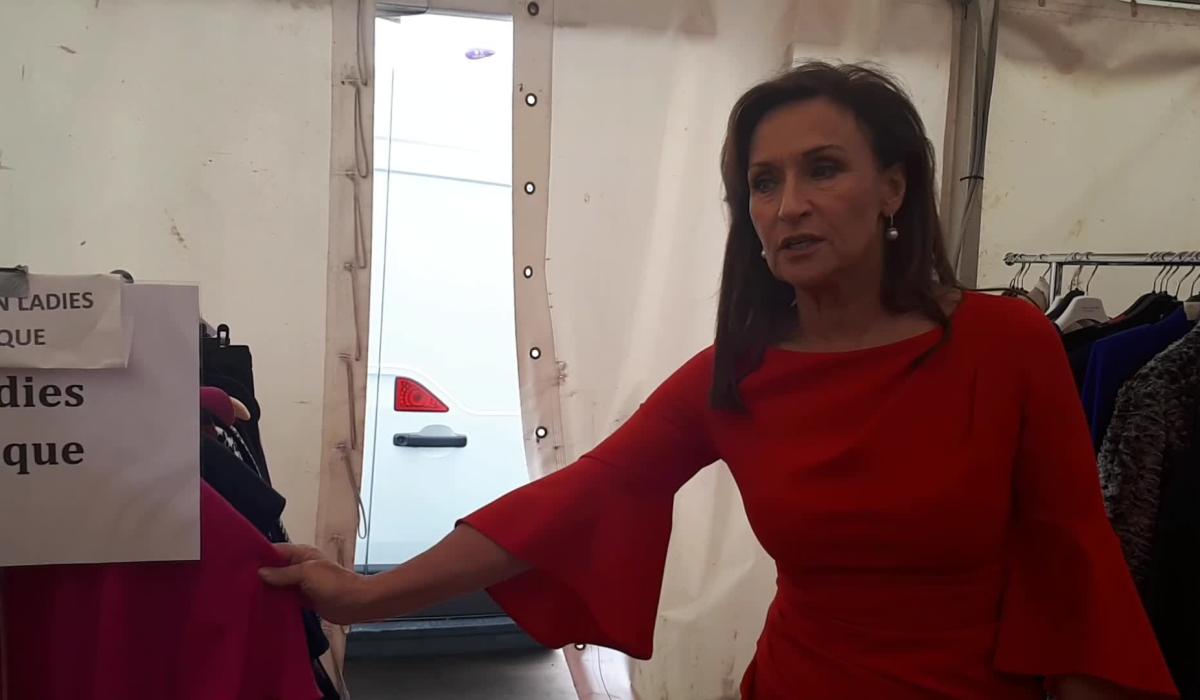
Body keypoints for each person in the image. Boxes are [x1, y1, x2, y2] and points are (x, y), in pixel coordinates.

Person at [261, 63, 1178, 699]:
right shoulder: (735, 376)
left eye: (824, 170)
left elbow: (1077, 567)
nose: (789, 205)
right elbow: (569, 503)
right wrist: (365, 597)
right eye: (763, 184)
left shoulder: (1007, 342)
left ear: (894, 189)